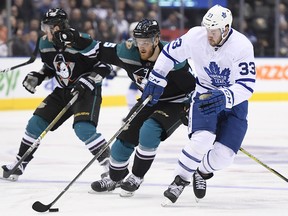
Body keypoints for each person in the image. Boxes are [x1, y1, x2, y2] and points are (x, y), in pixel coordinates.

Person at [141, 4, 256, 204]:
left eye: (214, 31)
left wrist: (225, 97)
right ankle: (179, 181)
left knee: (224, 156)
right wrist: (156, 78)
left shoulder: (242, 46)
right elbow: (169, 53)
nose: (209, 35)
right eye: (207, 29)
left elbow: (246, 86)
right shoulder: (195, 36)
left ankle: (201, 171)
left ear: (226, 29)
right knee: (202, 139)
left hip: (234, 100)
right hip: (204, 94)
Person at [0, 8, 112, 181]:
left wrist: (88, 81)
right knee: (35, 123)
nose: (45, 31)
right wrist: (39, 76)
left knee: (83, 129)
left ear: (59, 27)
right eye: (44, 27)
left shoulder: (81, 40)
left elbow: (105, 65)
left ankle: (111, 166)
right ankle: (20, 163)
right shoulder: (45, 43)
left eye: (48, 27)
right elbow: (53, 67)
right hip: (63, 90)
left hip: (86, 91)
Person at [90, 19, 196, 197]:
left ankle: (136, 177)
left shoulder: (173, 57)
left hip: (176, 102)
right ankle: (115, 178)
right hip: (149, 99)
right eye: (139, 41)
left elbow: (193, 88)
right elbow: (99, 49)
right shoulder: (127, 52)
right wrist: (75, 39)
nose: (142, 46)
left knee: (149, 131)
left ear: (156, 40)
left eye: (146, 42)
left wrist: (190, 109)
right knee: (122, 140)